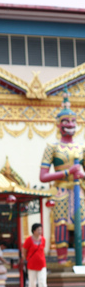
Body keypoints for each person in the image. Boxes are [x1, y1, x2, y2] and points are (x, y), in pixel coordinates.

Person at [40, 95, 85, 263]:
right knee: (61, 225)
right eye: (66, 121)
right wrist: (67, 173)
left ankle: (83, 260)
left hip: (79, 190)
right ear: (58, 124)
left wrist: (81, 174)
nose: (70, 125)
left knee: (83, 224)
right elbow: (43, 176)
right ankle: (62, 260)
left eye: (73, 121)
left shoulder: (81, 148)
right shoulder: (52, 148)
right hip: (60, 191)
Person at [22, 223, 52, 287]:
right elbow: (24, 250)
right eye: (38, 230)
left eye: (41, 230)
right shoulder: (28, 240)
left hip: (42, 264)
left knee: (42, 281)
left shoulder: (43, 240)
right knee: (32, 282)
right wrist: (25, 258)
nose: (40, 231)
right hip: (31, 264)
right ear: (34, 231)